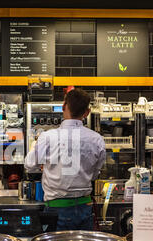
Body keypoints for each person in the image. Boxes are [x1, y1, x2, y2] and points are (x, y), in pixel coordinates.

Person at [24, 88, 106, 231]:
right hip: (85, 207)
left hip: (57, 209)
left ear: (63, 107)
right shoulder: (97, 139)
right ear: (87, 112)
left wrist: (40, 157)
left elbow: (29, 165)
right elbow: (94, 175)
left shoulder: (47, 137)